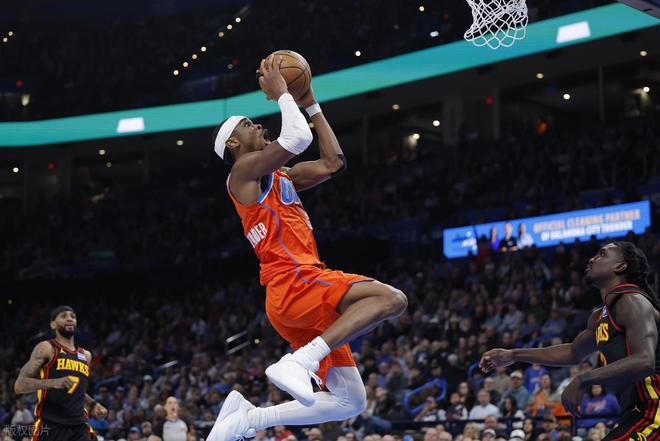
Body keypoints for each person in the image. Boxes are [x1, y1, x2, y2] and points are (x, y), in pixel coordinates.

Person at [209, 54, 407, 440]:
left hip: (296, 293)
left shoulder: (283, 175)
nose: (259, 125)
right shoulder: (241, 172)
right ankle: (300, 360)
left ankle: (249, 418)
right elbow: (297, 139)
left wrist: (310, 102)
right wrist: (282, 93)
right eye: (248, 125)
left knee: (350, 402)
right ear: (233, 143)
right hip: (293, 281)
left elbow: (334, 163)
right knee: (392, 299)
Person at [481, 242, 660, 441]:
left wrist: (584, 379)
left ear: (621, 266)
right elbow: (573, 352)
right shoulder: (600, 316)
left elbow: (645, 360)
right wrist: (513, 354)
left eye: (602, 254)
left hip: (654, 410)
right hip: (635, 413)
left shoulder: (632, 301)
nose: (591, 259)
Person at [13, 305, 108, 440]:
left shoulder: (86, 355)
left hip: (79, 425)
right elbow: (19, 385)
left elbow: (78, 391)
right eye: (64, 316)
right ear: (53, 324)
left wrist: (93, 405)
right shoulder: (46, 348)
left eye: (73, 317)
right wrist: (54, 382)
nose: (69, 319)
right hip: (51, 424)